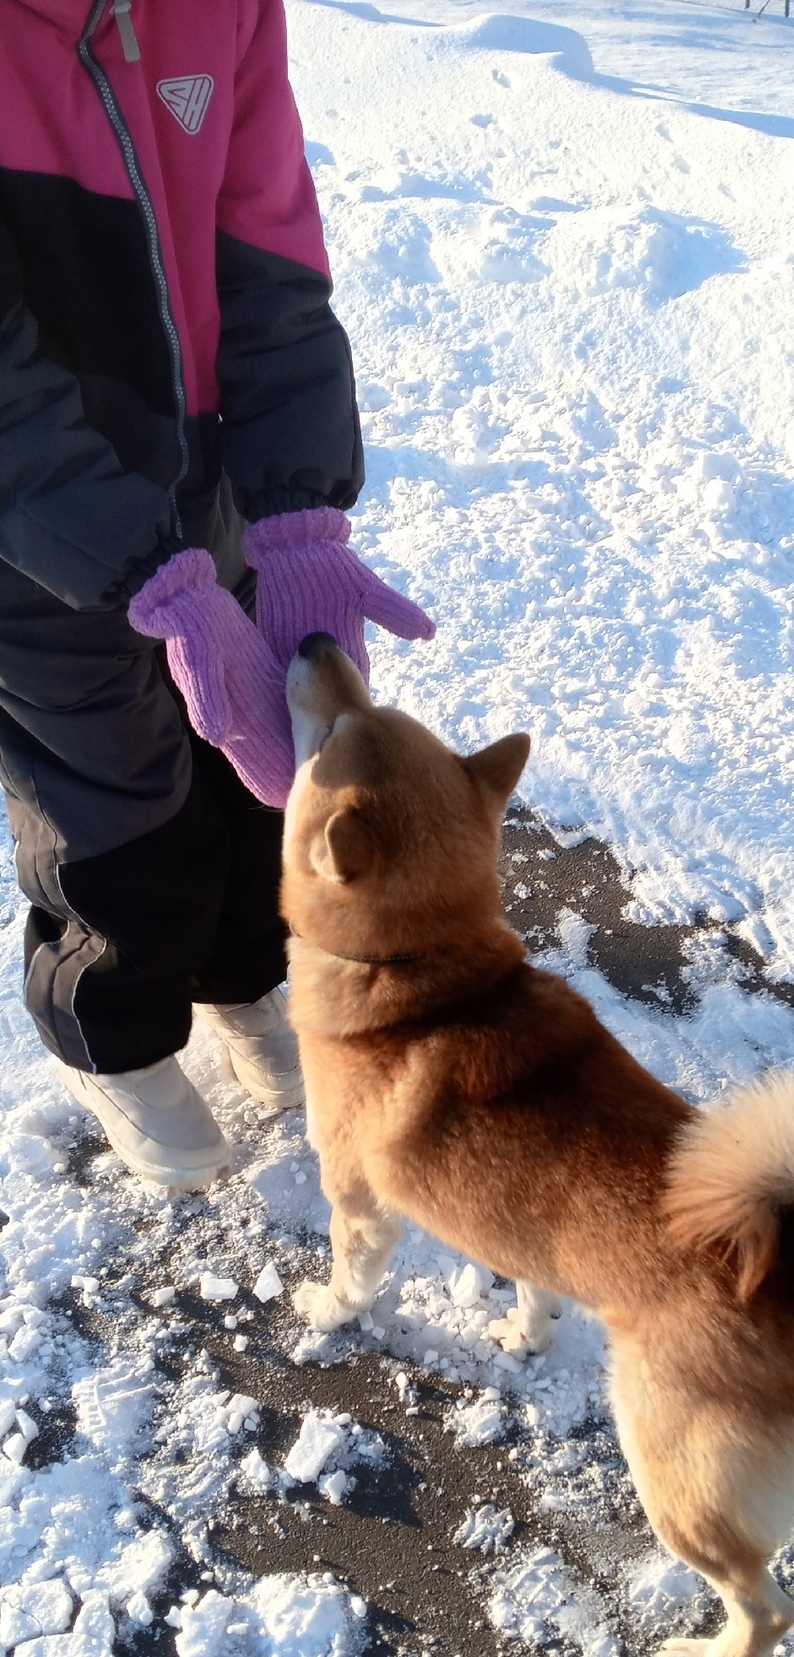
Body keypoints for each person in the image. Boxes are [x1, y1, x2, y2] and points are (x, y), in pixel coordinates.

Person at [0, 0, 434, 1188]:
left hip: (212, 475)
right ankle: (115, 1036)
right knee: (115, 792)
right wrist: (142, 569)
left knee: (256, 757)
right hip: (28, 524)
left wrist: (293, 510)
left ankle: (242, 973)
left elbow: (273, 258)